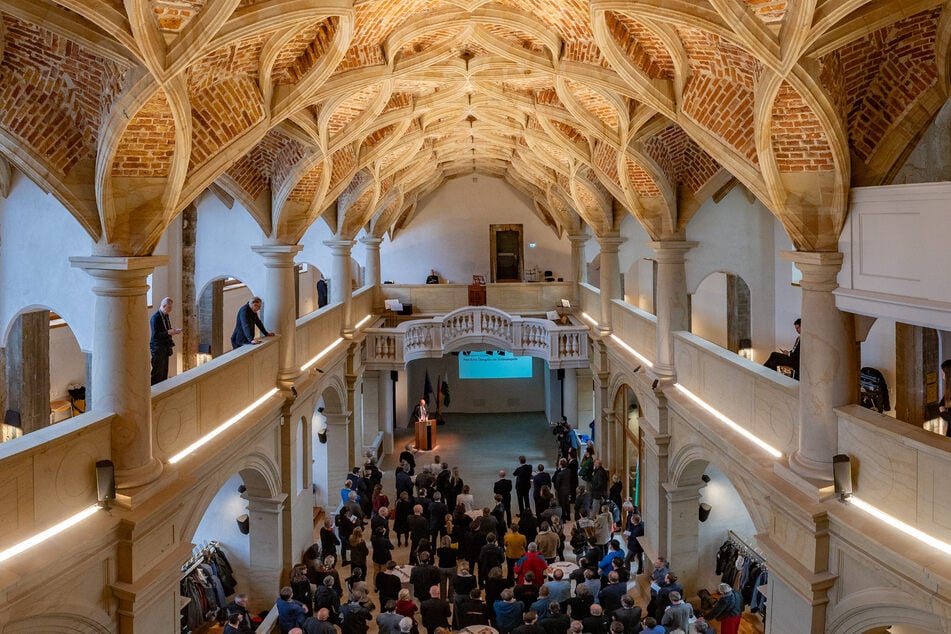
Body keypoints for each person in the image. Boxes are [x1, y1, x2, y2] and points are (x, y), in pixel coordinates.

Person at [149, 297, 182, 385]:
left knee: (164, 372)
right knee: (157, 373)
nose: (170, 310)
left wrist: (174, 331)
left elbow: (167, 329)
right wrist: (168, 332)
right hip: (158, 348)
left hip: (165, 347)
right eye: (169, 307)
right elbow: (155, 335)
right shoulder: (155, 318)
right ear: (164, 306)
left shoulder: (166, 316)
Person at [940, 359, 951, 436]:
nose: (942, 376)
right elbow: (941, 404)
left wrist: (943, 413)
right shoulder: (949, 389)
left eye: (943, 373)